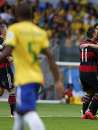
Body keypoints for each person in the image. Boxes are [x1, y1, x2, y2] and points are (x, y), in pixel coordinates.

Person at [0, 2, 64, 130]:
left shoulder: (15, 29)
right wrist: (58, 81)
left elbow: (7, 51)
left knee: (29, 113)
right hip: (36, 78)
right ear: (32, 15)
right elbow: (50, 57)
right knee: (19, 112)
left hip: (24, 79)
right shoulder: (40, 32)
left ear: (17, 15)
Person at [80, 27, 98, 119]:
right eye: (96, 31)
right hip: (90, 71)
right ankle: (90, 112)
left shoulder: (82, 43)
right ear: (93, 34)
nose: (97, 32)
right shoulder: (94, 45)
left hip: (82, 71)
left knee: (89, 92)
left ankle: (84, 112)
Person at [0, 22, 16, 117]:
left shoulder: (8, 40)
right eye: (4, 28)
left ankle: (13, 112)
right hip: (4, 68)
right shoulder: (4, 41)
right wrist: (8, 57)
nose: (6, 30)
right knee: (11, 90)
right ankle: (13, 113)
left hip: (5, 66)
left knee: (2, 91)